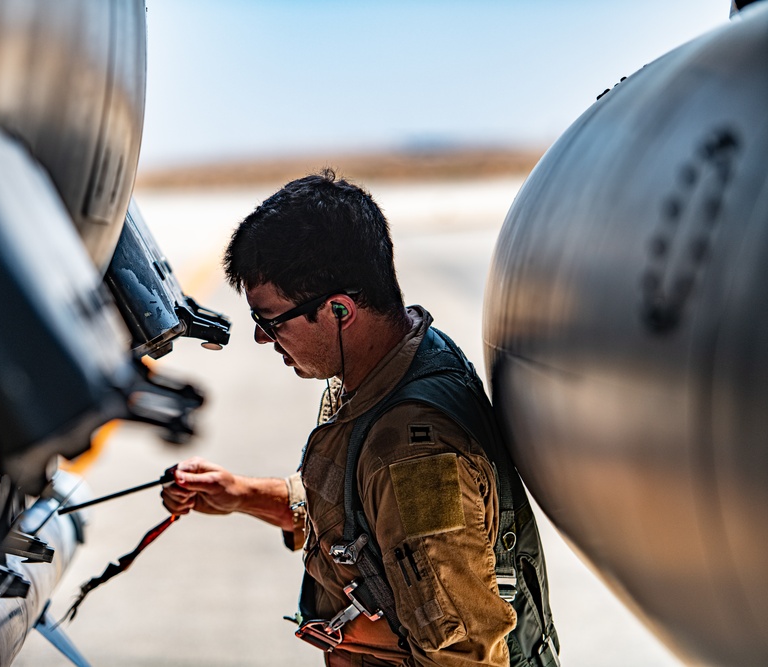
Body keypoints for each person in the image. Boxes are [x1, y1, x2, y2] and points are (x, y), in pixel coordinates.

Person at [161, 169, 555, 667]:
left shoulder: (414, 456)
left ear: (340, 312)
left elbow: (465, 657)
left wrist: (352, 638)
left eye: (270, 320)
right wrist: (240, 494)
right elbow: (362, 522)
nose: (263, 339)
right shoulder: (391, 362)